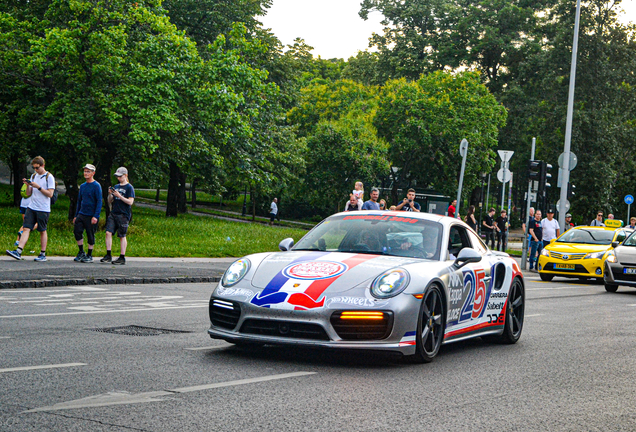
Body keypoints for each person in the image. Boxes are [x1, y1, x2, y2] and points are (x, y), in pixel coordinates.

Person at [6, 156, 56, 262]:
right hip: (32, 206)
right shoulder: (34, 176)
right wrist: (28, 185)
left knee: (42, 230)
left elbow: (50, 194)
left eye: (37, 168)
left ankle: (42, 253)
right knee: (26, 228)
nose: (36, 170)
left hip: (43, 208)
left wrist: (38, 187)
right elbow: (28, 193)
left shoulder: (49, 177)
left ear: (43, 165)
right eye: (34, 168)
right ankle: (18, 251)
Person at [101, 167, 135, 265]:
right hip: (114, 212)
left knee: (122, 235)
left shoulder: (129, 187)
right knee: (108, 232)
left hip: (123, 214)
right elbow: (109, 201)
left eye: (120, 176)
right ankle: (108, 254)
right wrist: (111, 194)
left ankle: (122, 256)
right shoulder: (116, 186)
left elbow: (130, 202)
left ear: (125, 176)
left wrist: (119, 196)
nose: (119, 178)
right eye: (117, 176)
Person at [73, 164, 102, 263]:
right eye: (85, 171)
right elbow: (79, 201)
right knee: (77, 231)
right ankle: (81, 251)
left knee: (90, 234)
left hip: (91, 214)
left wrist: (96, 216)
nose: (86, 173)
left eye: (88, 171)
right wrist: (76, 215)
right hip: (82, 213)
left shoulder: (96, 186)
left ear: (93, 173)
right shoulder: (82, 186)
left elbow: (99, 202)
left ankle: (89, 254)